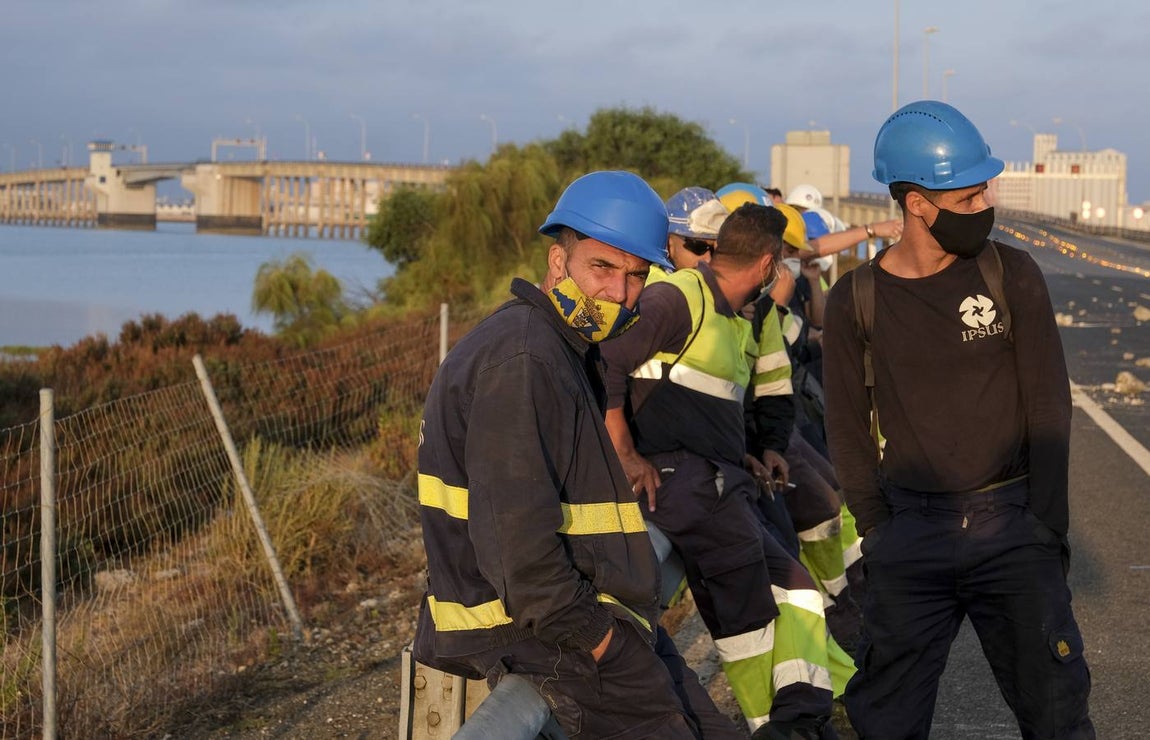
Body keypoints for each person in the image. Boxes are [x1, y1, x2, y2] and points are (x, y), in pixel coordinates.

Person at [413, 170, 740, 739]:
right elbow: (518, 545)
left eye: (636, 276)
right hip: (542, 634)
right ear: (558, 262)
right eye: (602, 268)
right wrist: (601, 641)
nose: (618, 293)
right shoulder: (524, 359)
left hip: (587, 619)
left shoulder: (558, 346)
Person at [823, 100, 1094, 739]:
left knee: (1056, 714)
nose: (984, 209)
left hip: (1012, 530)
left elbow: (1050, 406)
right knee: (885, 720)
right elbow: (847, 425)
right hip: (910, 535)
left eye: (983, 194)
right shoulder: (855, 300)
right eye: (969, 198)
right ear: (918, 203)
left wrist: (1044, 528)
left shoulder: (1011, 274)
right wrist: (879, 531)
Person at [601, 202, 843, 739]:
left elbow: (709, 404)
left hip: (723, 481)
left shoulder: (736, 317)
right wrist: (625, 453)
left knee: (798, 592)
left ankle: (807, 720)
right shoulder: (681, 296)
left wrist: (753, 452)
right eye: (778, 265)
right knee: (750, 622)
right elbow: (607, 363)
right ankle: (777, 728)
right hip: (686, 487)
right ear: (767, 265)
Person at [663, 186, 728, 271]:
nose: (708, 259)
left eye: (716, 250)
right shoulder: (648, 282)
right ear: (668, 245)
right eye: (698, 247)